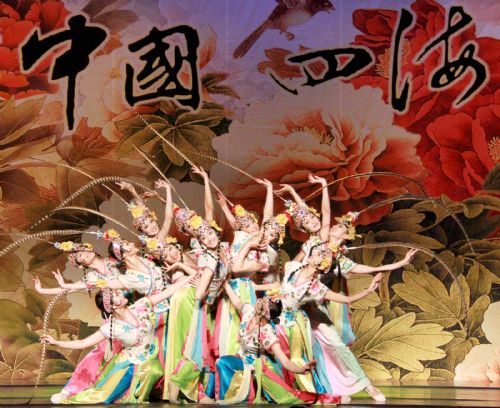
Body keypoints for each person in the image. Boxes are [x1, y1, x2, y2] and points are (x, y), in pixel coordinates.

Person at [40, 276, 189, 404]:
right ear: (111, 306)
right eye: (116, 294)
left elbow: (168, 291)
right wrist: (56, 342)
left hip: (154, 354)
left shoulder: (141, 306)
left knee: (154, 369)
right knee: (103, 397)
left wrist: (191, 276)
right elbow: (83, 343)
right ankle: (68, 398)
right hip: (131, 363)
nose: (120, 293)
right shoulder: (111, 327)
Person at [215, 283, 340, 404]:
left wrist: (300, 369)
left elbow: (284, 361)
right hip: (242, 360)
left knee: (288, 397)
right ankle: (230, 398)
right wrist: (225, 284)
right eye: (261, 300)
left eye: (262, 303)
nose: (258, 301)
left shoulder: (267, 332)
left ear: (265, 312)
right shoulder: (249, 312)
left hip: (259, 367)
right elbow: (237, 302)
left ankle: (331, 399)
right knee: (222, 362)